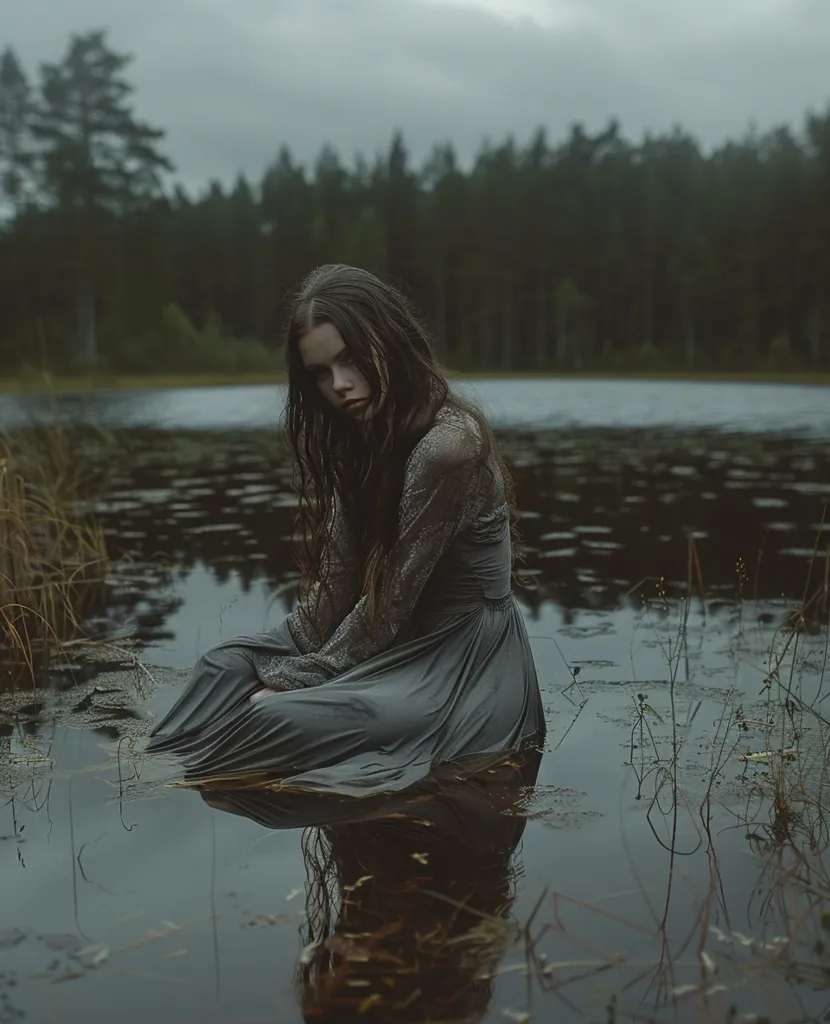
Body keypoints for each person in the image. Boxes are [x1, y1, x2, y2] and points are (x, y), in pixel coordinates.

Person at [145, 264, 545, 795]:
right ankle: (150, 777)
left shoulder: (449, 448)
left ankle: (171, 785)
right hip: (390, 642)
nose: (340, 385)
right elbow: (336, 589)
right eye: (320, 372)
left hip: (462, 661)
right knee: (221, 666)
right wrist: (268, 659)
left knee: (276, 718)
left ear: (391, 339)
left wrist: (292, 681)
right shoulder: (360, 436)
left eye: (351, 359)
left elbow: (387, 606)